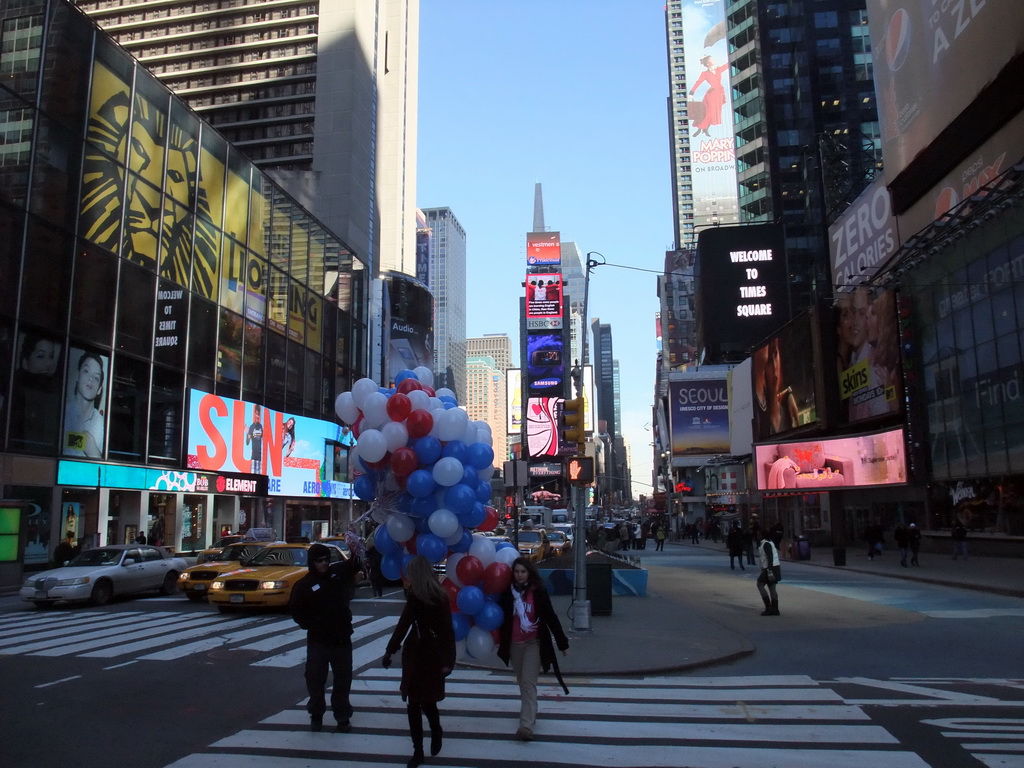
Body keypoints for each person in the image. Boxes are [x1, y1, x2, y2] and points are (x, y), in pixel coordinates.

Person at [383, 555, 456, 768]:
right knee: (414, 703)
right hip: (415, 655)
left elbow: (447, 632)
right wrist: (390, 650)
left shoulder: (438, 598)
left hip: (431, 656)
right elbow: (403, 624)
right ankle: (418, 751)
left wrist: (448, 661)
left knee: (428, 702)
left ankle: (435, 730)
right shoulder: (413, 596)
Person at [289, 542, 363, 733]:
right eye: (319, 561)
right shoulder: (304, 584)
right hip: (318, 640)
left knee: (343, 679)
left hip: (341, 638)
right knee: (315, 679)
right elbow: (296, 610)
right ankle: (316, 714)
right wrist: (311, 624)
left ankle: (342, 716)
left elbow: (357, 563)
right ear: (312, 562)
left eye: (326, 560)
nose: (323, 564)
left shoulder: (337, 573)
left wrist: (358, 545)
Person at [498, 557, 569, 741]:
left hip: (533, 644)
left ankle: (526, 726)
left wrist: (562, 643)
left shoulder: (537, 592)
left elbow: (551, 617)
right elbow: (499, 618)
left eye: (523, 571)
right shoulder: (507, 593)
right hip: (515, 645)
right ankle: (531, 710)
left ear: (529, 573)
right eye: (516, 572)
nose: (520, 575)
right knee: (523, 682)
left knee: (529, 683)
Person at [63, 351, 106, 457]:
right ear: (77, 376)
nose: (90, 378)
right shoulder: (62, 413)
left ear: (99, 389)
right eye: (86, 371)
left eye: (96, 377)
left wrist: (93, 451)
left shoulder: (101, 424)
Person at [689, 55, 729, 137]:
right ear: (708, 63)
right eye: (711, 59)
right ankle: (700, 129)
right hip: (711, 95)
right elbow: (698, 82)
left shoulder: (718, 69)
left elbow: (727, 65)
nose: (714, 60)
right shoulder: (705, 74)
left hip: (719, 94)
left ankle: (705, 129)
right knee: (708, 113)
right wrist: (691, 92)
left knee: (714, 114)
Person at [756, 529, 782, 616]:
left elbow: (769, 557)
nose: (757, 536)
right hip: (774, 567)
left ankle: (768, 607)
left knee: (760, 584)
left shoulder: (765, 544)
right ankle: (775, 608)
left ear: (762, 535)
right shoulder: (769, 542)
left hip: (769, 568)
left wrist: (768, 569)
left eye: (759, 534)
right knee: (772, 588)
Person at [246, 405, 264, 473]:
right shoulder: (251, 427)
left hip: (260, 456)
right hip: (253, 456)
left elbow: (262, 439)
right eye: (256, 414)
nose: (257, 416)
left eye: (258, 414)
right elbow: (247, 442)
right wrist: (248, 434)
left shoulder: (260, 426)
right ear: (254, 414)